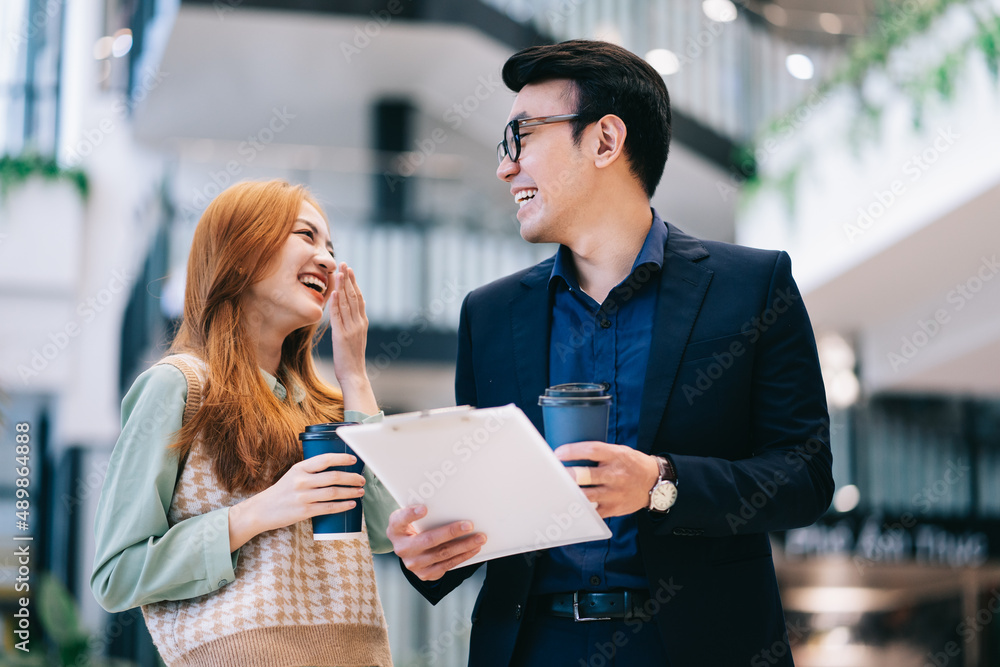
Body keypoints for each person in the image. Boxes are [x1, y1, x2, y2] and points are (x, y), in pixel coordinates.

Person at [386, 40, 834, 666]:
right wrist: (429, 554)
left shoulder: (750, 286)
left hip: (697, 646)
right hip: (533, 646)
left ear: (604, 141)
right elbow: (488, 503)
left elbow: (805, 478)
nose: (505, 168)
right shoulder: (488, 314)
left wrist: (661, 483)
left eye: (522, 138)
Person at [91, 180, 396, 667]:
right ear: (241, 253)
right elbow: (116, 574)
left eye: (331, 247)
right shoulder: (179, 387)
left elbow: (385, 529)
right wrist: (257, 513)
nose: (327, 259)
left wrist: (355, 376)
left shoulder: (325, 406)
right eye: (306, 236)